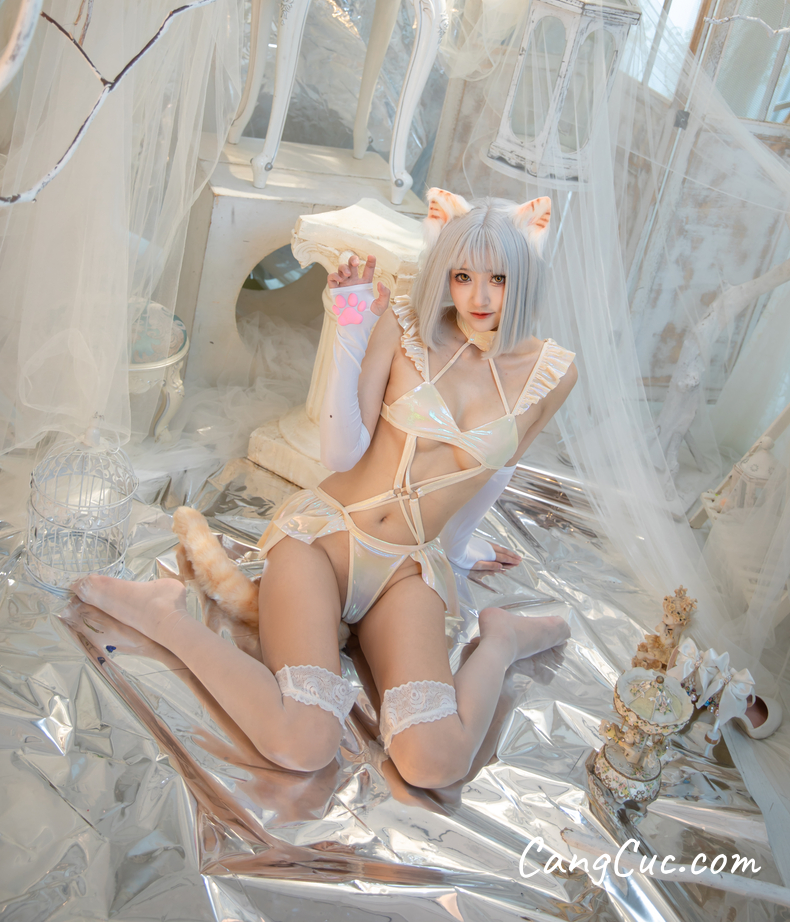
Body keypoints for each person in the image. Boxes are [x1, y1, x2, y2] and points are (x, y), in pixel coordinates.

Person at [73, 190, 578, 788]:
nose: (479, 298)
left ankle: (503, 640)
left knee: (436, 762)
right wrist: (349, 330)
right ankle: (164, 616)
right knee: (304, 742)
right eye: (462, 276)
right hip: (325, 537)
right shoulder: (408, 326)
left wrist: (462, 551)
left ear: (524, 276)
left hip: (408, 567)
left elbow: (494, 474)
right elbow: (341, 451)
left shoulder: (552, 373)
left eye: (498, 279)